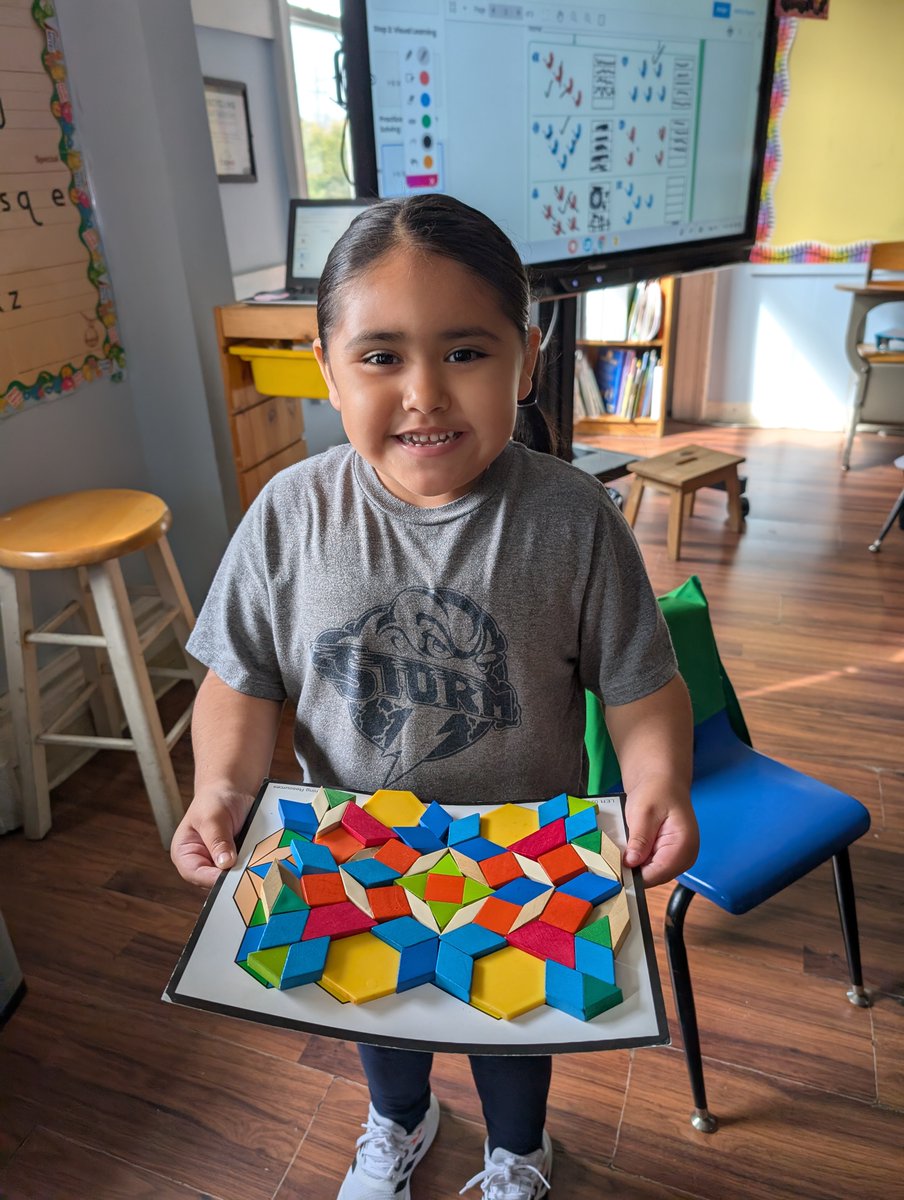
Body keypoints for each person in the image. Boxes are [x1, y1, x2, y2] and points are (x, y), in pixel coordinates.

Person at [172, 193, 697, 1200]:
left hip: (531, 863)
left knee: (512, 1028)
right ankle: (397, 1126)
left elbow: (641, 687)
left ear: (525, 359)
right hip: (352, 862)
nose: (424, 393)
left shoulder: (574, 517)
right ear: (325, 366)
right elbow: (239, 679)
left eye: (464, 353)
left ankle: (517, 1156)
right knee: (376, 1019)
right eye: (380, 357)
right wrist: (221, 790)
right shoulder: (288, 513)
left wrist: (658, 781)